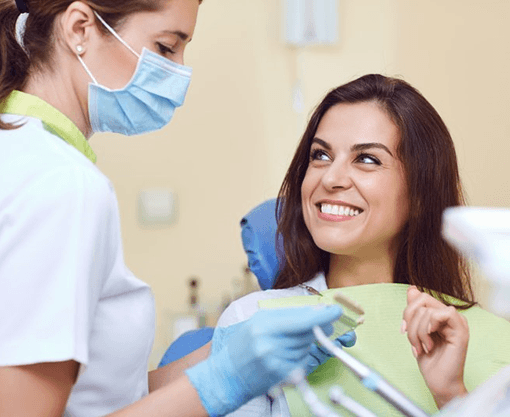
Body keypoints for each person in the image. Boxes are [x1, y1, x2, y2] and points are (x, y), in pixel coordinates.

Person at [0, 1, 356, 416]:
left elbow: (100, 398)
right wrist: (226, 379)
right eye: (167, 47)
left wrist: (222, 355)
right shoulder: (63, 185)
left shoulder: (25, 154)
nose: (180, 75)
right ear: (79, 28)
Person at [216, 74, 510, 416]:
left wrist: (452, 396)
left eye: (367, 159)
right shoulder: (253, 322)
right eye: (321, 155)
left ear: (419, 193)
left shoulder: (493, 339)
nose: (330, 178)